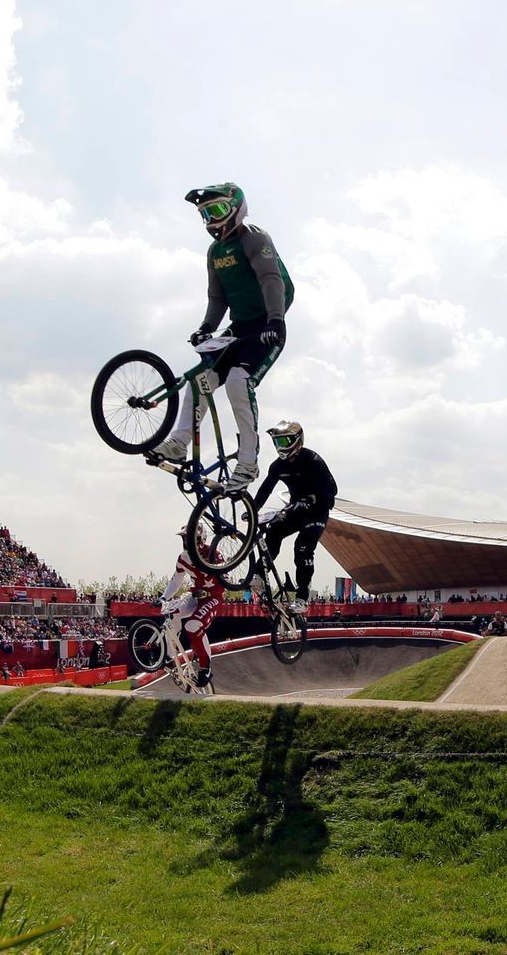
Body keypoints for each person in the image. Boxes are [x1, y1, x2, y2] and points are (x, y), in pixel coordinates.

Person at [151, 183, 294, 488]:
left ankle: (248, 462)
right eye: (205, 214)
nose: (212, 220)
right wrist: (205, 327)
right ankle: (179, 442)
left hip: (267, 327)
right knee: (199, 380)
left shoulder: (255, 239)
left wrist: (276, 320)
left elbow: (271, 280)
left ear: (237, 208)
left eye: (216, 210)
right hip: (238, 327)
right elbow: (217, 298)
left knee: (238, 382)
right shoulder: (215, 252)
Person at [249, 420, 336, 616]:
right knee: (273, 532)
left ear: (297, 440)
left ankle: (302, 599)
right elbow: (265, 490)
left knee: (302, 548)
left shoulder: (313, 460)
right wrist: (253, 509)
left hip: (317, 511)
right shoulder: (277, 466)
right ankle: (259, 576)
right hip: (296, 509)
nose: (280, 446)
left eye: (284, 441)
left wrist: (311, 499)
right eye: (277, 442)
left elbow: (332, 490)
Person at [160, 544, 224, 690]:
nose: (185, 542)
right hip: (194, 596)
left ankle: (205, 667)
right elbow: (176, 580)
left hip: (213, 597)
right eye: (183, 538)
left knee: (192, 626)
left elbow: (225, 580)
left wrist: (208, 590)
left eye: (187, 538)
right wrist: (164, 597)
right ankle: (170, 656)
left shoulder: (213, 553)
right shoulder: (184, 557)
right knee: (171, 611)